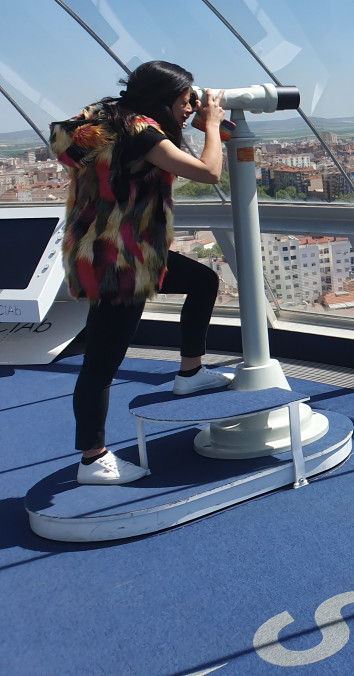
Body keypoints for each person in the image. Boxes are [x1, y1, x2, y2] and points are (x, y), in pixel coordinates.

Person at [50, 61, 231, 485]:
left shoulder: (102, 119)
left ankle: (189, 372)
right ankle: (92, 459)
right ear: (163, 99)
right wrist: (212, 123)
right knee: (101, 362)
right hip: (122, 261)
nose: (189, 108)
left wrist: (209, 127)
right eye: (186, 101)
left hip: (113, 251)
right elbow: (208, 172)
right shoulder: (141, 131)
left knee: (203, 282)